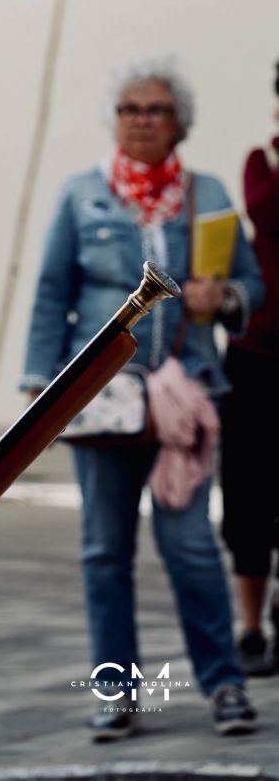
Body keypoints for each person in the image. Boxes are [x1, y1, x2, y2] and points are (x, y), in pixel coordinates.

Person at [20, 55, 263, 741]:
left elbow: (251, 284)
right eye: (130, 109)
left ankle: (223, 685)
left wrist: (225, 297)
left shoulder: (208, 194)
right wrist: (40, 385)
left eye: (156, 109)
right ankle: (116, 692)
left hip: (185, 401)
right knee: (104, 551)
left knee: (190, 548)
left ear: (179, 122)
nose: (142, 120)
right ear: (115, 119)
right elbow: (52, 292)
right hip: (100, 398)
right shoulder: (82, 195)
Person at [220, 61, 279, 676]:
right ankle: (252, 627)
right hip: (255, 358)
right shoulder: (262, 162)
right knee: (248, 499)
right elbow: (266, 211)